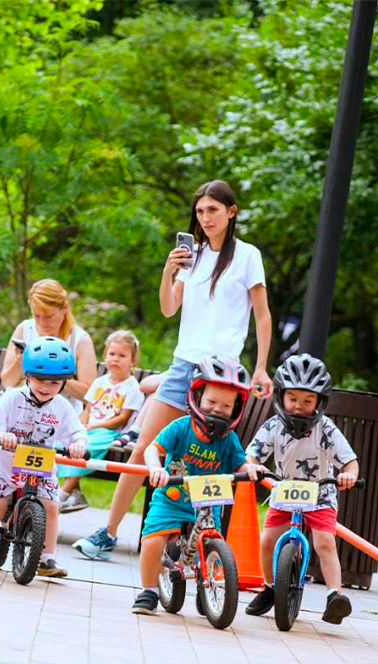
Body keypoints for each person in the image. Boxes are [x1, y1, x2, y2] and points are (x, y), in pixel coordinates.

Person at [76, 180, 273, 561]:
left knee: (211, 460)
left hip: (223, 374)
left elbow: (263, 316)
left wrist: (262, 367)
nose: (206, 217)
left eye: (213, 210)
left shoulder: (248, 256)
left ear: (232, 212)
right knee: (144, 449)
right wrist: (168, 273)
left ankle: (198, 542)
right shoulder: (192, 255)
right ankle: (109, 532)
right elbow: (169, 308)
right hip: (184, 365)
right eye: (200, 211)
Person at [131, 357, 260, 615]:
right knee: (153, 542)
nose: (216, 410)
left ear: (236, 408)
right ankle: (148, 591)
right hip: (172, 497)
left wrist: (250, 469)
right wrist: (156, 467)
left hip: (208, 503)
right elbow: (152, 450)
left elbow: (240, 464)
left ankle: (209, 585)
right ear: (197, 396)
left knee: (214, 544)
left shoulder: (228, 439)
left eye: (226, 405)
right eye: (211, 402)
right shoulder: (180, 427)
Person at [243, 354, 360, 624]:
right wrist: (252, 466)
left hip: (319, 493)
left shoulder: (325, 429)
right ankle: (270, 587)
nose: (299, 406)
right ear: (281, 396)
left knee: (324, 542)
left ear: (320, 402)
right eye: (293, 399)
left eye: (308, 401)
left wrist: (349, 476)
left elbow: (350, 461)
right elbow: (253, 454)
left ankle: (335, 596)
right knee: (267, 540)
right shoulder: (273, 426)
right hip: (284, 491)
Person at [0, 337, 88, 578]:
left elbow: (77, 431)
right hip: (5, 465)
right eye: (40, 379)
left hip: (41, 468)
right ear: (27, 376)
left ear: (64, 383)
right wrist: (1, 434)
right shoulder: (12, 397)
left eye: (54, 382)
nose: (46, 387)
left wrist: (78, 445)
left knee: (52, 506)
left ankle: (47, 558)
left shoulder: (62, 407)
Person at [58, 330, 144, 513]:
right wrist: (79, 427)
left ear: (133, 360)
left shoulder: (132, 388)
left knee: (84, 447)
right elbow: (88, 410)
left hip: (111, 433)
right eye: (112, 354)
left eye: (122, 355)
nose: (115, 359)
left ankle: (64, 493)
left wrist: (95, 426)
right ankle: (74, 492)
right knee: (64, 441)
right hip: (91, 428)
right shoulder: (99, 382)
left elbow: (122, 419)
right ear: (105, 355)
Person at [0, 279, 97, 413]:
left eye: (48, 316)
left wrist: (55, 375)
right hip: (21, 412)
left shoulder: (80, 340)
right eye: (37, 316)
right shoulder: (25, 329)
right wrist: (22, 361)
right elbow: (7, 382)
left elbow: (90, 395)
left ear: (65, 308)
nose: (42, 323)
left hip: (61, 417)